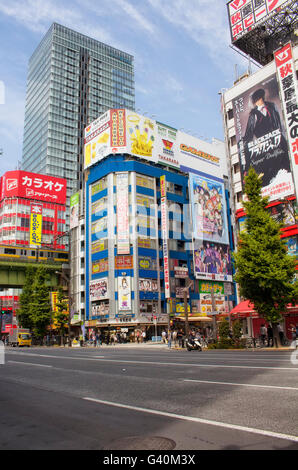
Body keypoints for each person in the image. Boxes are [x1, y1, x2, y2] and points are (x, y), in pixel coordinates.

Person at [242, 88, 290, 186]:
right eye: (256, 100)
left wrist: (280, 135)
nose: (258, 101)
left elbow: (278, 123)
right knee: (269, 169)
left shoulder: (272, 106)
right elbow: (248, 134)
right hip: (264, 145)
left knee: (286, 161)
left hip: (277, 139)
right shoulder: (253, 114)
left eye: (259, 98)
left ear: (262, 98)